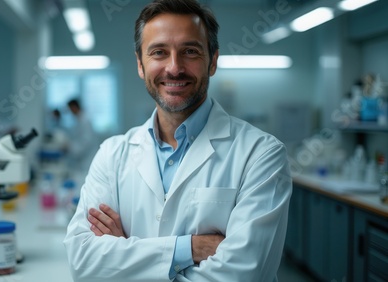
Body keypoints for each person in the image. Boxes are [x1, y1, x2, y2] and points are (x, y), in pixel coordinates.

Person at [63, 0, 292, 281]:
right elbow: (84, 263)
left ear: (213, 61)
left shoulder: (260, 154)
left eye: (190, 51)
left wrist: (123, 258)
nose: (174, 68)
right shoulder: (112, 155)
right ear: (140, 64)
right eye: (159, 52)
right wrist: (190, 248)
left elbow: (241, 275)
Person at [65, 98, 98, 175]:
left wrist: (70, 148)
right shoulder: (79, 120)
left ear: (74, 107)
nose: (70, 112)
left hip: (87, 160)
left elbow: (86, 142)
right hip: (82, 161)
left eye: (70, 109)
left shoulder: (85, 121)